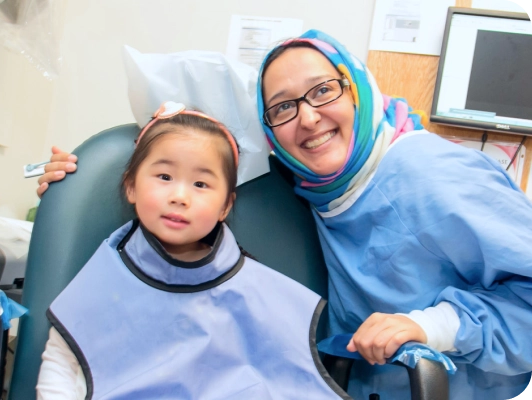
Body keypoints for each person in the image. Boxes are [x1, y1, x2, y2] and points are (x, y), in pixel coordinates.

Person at [38, 30, 532, 399]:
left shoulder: (428, 172)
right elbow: (195, 138)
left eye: (323, 91)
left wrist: (435, 326)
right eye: (282, 107)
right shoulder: (311, 185)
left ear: (356, 87)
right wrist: (77, 179)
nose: (309, 118)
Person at [36, 102, 350, 399]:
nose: (180, 196)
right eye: (164, 177)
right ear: (131, 185)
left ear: (225, 205)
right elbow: (62, 365)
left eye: (200, 184)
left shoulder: (255, 292)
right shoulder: (106, 277)